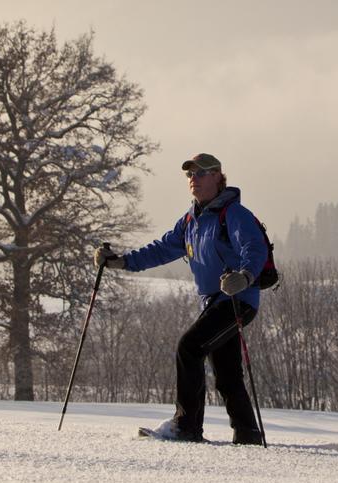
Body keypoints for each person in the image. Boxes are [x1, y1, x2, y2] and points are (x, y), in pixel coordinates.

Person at [94, 153, 267, 445]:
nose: (193, 180)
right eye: (190, 175)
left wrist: (245, 277)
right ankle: (248, 434)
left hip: (238, 300)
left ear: (217, 177)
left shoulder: (234, 214)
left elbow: (255, 247)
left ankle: (185, 427)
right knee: (226, 372)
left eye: (200, 174)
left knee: (189, 347)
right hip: (213, 304)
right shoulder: (191, 220)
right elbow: (160, 250)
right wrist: (121, 262)